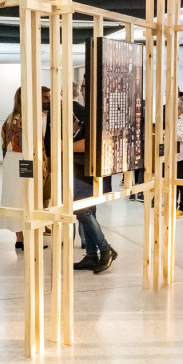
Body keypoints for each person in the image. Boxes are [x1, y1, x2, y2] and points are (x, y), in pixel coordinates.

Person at [73, 78, 117, 274]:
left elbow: (91, 144)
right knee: (86, 211)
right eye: (82, 85)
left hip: (89, 171)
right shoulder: (93, 112)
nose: (83, 89)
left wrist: (63, 146)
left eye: (85, 85)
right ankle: (91, 255)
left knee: (82, 211)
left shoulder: (98, 113)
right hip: (87, 169)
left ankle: (106, 250)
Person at [0, 88, 27, 249]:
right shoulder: (30, 118)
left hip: (10, 161)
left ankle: (19, 239)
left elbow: (4, 143)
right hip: (24, 160)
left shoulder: (10, 119)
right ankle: (29, 237)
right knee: (26, 197)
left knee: (13, 199)